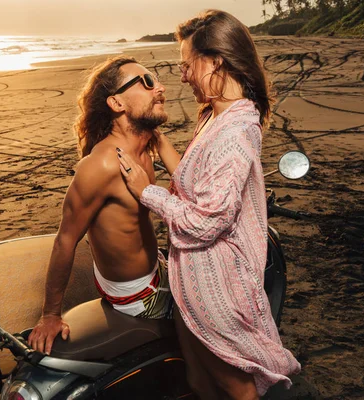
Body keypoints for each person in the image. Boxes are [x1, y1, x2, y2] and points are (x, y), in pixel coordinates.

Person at [117, 10, 301, 400]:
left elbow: (206, 221)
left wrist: (146, 191)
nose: (181, 76)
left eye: (187, 65)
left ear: (215, 61)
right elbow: (197, 182)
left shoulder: (236, 133)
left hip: (218, 288)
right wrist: (161, 141)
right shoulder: (213, 114)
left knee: (238, 390)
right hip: (191, 281)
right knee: (200, 382)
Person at [27, 56, 174, 355]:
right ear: (117, 103)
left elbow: (189, 180)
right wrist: (50, 316)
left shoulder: (148, 141)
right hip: (138, 294)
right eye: (146, 82)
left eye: (156, 80)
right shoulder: (103, 165)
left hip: (154, 265)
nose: (159, 87)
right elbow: (66, 239)